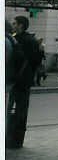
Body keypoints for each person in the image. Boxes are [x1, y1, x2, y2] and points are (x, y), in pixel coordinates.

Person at [7, 16, 40, 148]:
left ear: (20, 25)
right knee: (21, 109)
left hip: (15, 80)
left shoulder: (15, 40)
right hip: (25, 80)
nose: (13, 25)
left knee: (12, 108)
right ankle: (17, 139)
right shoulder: (32, 40)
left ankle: (11, 137)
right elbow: (37, 61)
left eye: (14, 23)